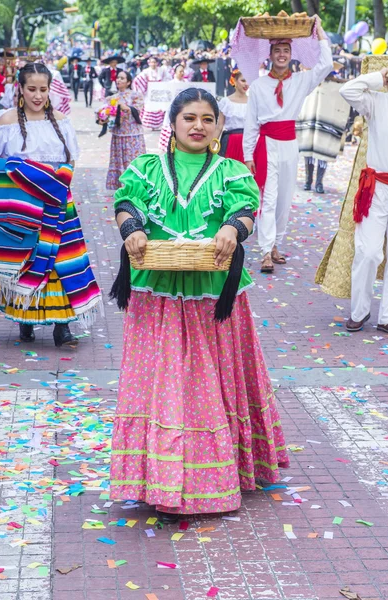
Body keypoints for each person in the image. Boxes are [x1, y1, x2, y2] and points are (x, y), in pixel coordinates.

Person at [109, 88, 289, 521]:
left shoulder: (231, 170)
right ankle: (159, 476)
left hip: (212, 292)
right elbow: (124, 202)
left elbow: (246, 208)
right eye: (189, 117)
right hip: (157, 291)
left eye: (208, 119)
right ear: (172, 124)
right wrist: (131, 228)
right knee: (164, 379)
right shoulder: (146, 167)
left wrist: (233, 228)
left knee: (210, 377)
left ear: (219, 126)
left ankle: (215, 474)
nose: (198, 126)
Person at [0, 63, 102, 346]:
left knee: (58, 262)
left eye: (43, 89)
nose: (38, 95)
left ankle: (61, 327)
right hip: (20, 206)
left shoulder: (61, 120)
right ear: (20, 89)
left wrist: (52, 181)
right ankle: (25, 319)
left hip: (56, 202)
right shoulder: (6, 121)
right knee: (23, 261)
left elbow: (71, 160)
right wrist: (22, 172)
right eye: (32, 89)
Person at [243, 15, 332, 273]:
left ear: (291, 55)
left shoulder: (301, 81)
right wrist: (249, 155)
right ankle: (264, 252)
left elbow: (325, 65)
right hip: (267, 144)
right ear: (269, 55)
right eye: (277, 51)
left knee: (284, 198)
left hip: (290, 144)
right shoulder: (259, 86)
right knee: (268, 199)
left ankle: (275, 244)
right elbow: (251, 124)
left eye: (286, 51)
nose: (281, 55)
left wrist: (321, 32)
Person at [338, 67, 388, 333]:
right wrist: (379, 77)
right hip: (377, 186)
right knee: (368, 252)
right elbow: (347, 90)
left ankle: (386, 317)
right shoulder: (377, 99)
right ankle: (360, 311)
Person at [297, 74, 350, 194]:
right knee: (308, 153)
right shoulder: (309, 81)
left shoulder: (333, 86)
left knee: (323, 153)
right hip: (310, 121)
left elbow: (344, 90)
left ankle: (319, 182)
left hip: (325, 123)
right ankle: (308, 180)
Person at [105, 71, 145, 190]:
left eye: (122, 78)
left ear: (128, 82)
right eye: (118, 78)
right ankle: (121, 186)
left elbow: (138, 109)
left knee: (132, 160)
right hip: (118, 134)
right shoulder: (112, 98)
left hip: (133, 134)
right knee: (119, 161)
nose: (119, 80)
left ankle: (135, 185)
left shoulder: (135, 95)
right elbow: (107, 115)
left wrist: (125, 107)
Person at [216, 69, 249, 163]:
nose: (246, 84)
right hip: (230, 141)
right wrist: (211, 144)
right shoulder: (225, 102)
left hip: (248, 143)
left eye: (248, 81)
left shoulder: (253, 101)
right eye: (243, 80)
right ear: (234, 81)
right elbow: (219, 126)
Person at [133, 57, 169, 130]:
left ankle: (158, 124)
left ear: (157, 63)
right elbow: (138, 79)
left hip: (159, 92)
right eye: (151, 62)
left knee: (159, 108)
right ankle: (150, 125)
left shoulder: (161, 70)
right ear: (149, 63)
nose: (153, 64)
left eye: (154, 62)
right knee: (149, 107)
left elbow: (167, 78)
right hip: (149, 93)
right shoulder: (146, 71)